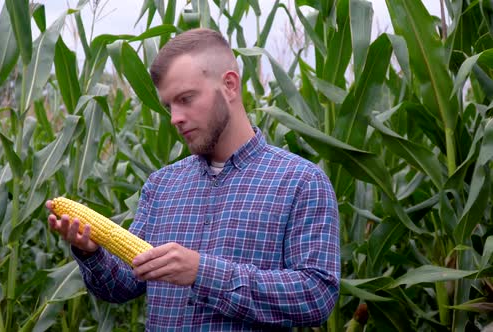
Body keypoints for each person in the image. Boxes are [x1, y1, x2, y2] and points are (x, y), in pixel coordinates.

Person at [47, 28, 340, 330]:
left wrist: (202, 272)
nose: (175, 118)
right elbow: (123, 285)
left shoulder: (301, 182)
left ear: (229, 85)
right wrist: (91, 252)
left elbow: (316, 297)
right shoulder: (162, 186)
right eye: (169, 106)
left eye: (186, 99)